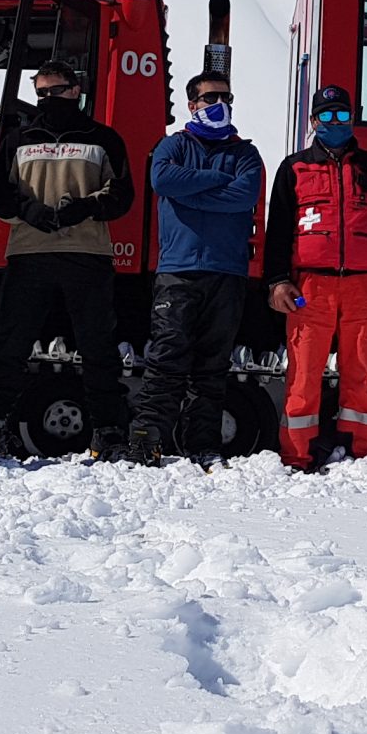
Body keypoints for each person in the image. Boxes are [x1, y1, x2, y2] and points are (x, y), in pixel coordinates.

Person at [0, 61, 135, 457]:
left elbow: (122, 195)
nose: (48, 100)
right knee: (10, 345)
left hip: (86, 253)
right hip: (29, 252)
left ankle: (109, 431)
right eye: (41, 93)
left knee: (98, 348)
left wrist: (85, 208)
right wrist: (29, 211)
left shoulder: (103, 138)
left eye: (55, 91)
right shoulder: (18, 139)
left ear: (76, 91)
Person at [124, 70, 263, 465]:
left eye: (225, 96)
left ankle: (202, 445)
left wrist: (193, 193)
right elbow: (163, 180)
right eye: (209, 98)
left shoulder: (245, 154)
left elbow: (244, 196)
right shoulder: (172, 146)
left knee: (212, 367)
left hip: (227, 272)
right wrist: (216, 180)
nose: (218, 104)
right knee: (166, 359)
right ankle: (147, 440)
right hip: (178, 270)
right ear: (192, 105)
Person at [263, 84, 367, 469]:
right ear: (313, 121)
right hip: (310, 288)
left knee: (360, 373)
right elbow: (278, 230)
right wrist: (277, 281)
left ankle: (365, 452)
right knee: (304, 374)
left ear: (352, 118)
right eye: (327, 115)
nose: (336, 122)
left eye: (342, 114)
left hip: (362, 286)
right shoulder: (294, 168)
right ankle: (296, 455)